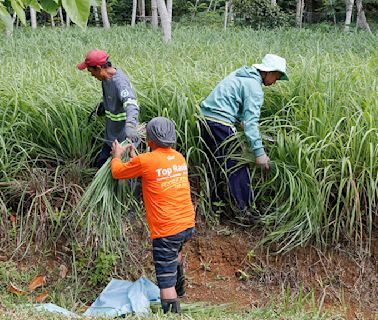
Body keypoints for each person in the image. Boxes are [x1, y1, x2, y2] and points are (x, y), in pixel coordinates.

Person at [110, 117, 195, 314]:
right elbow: (155, 171)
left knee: (164, 280)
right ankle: (180, 288)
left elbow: (118, 172)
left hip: (166, 230)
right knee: (175, 253)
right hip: (186, 224)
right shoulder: (179, 157)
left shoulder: (145, 161)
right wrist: (136, 159)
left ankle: (173, 313)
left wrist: (117, 155)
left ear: (149, 140)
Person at [200, 54, 288, 214]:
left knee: (215, 164)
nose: (275, 81)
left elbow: (233, 104)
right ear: (268, 72)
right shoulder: (254, 87)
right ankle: (247, 210)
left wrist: (243, 121)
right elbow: (250, 124)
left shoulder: (241, 74)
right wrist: (260, 154)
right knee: (238, 165)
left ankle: (214, 206)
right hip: (220, 123)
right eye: (276, 76)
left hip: (205, 120)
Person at [77, 49, 140, 168]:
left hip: (123, 141)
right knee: (100, 165)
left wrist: (131, 126)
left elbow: (131, 104)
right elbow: (115, 99)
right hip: (111, 137)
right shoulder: (106, 79)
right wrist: (104, 105)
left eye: (91, 71)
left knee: (124, 176)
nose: (91, 75)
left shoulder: (120, 83)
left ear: (98, 68)